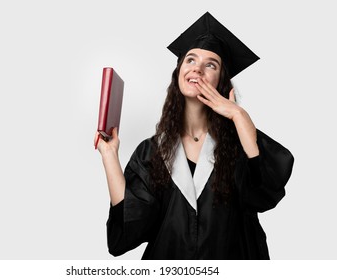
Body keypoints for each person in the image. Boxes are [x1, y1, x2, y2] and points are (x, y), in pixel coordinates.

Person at [95, 12, 294, 259]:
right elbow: (130, 227)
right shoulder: (153, 152)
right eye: (190, 60)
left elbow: (265, 193)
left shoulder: (238, 141)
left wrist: (239, 116)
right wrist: (109, 155)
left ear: (221, 80)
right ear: (179, 71)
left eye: (211, 64)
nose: (197, 69)